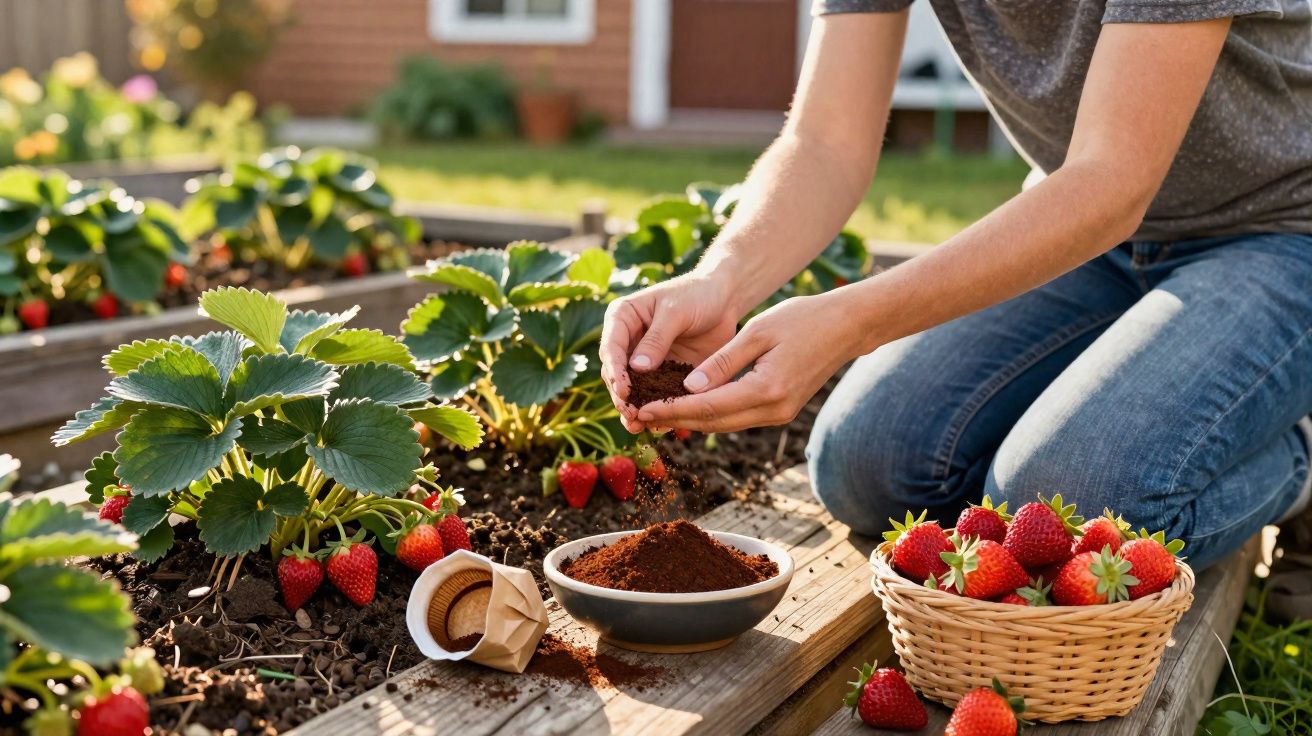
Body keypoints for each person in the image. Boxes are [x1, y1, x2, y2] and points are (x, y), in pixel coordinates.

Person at [598, 0, 1312, 573]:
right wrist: (722, 278)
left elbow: (1112, 179)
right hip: (1087, 238)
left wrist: (853, 320)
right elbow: (825, 142)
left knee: (1069, 504)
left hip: (1281, 228)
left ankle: (1297, 462)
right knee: (866, 465)